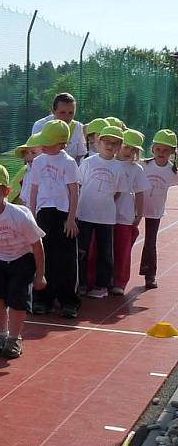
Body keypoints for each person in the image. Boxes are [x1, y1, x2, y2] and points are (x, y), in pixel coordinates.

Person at [0, 163, 46, 359]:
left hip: (23, 257)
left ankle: (14, 338)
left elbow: (37, 246)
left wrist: (40, 275)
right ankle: (1, 334)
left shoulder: (20, 216)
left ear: (6, 191)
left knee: (17, 297)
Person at [27, 119, 80, 318]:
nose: (43, 146)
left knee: (66, 259)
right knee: (42, 257)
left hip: (63, 215)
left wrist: (72, 218)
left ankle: (69, 301)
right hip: (43, 214)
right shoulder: (39, 161)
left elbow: (74, 192)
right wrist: (31, 216)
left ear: (61, 144)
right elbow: (34, 190)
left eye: (47, 143)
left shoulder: (68, 162)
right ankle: (42, 299)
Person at [76, 126, 125, 299]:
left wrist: (106, 203)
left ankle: (102, 285)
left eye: (115, 143)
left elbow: (118, 192)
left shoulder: (119, 167)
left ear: (119, 147)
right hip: (84, 214)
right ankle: (80, 283)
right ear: (98, 142)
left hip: (106, 217)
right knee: (82, 250)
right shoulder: (88, 162)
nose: (110, 146)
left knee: (105, 252)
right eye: (106, 141)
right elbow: (78, 185)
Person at [140, 129, 178, 289]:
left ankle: (150, 275)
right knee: (126, 240)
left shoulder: (173, 172)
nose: (161, 153)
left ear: (172, 152)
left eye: (165, 150)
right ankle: (116, 276)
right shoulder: (144, 164)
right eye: (158, 149)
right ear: (152, 149)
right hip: (135, 209)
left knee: (150, 241)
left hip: (155, 211)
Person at [112, 129, 149, 295]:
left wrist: (139, 214)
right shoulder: (110, 163)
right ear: (119, 145)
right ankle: (101, 280)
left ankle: (120, 281)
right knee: (102, 249)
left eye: (134, 149)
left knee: (123, 250)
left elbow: (140, 193)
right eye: (127, 147)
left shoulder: (137, 169)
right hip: (105, 215)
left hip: (125, 217)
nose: (130, 152)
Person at [31, 92, 87, 164]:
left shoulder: (79, 128)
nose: (67, 117)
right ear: (53, 110)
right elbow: (33, 153)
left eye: (71, 113)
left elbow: (80, 156)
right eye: (62, 112)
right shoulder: (40, 126)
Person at [7, 134, 41, 206]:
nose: (29, 156)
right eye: (26, 152)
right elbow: (24, 194)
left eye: (33, 152)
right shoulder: (27, 171)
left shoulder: (50, 174)